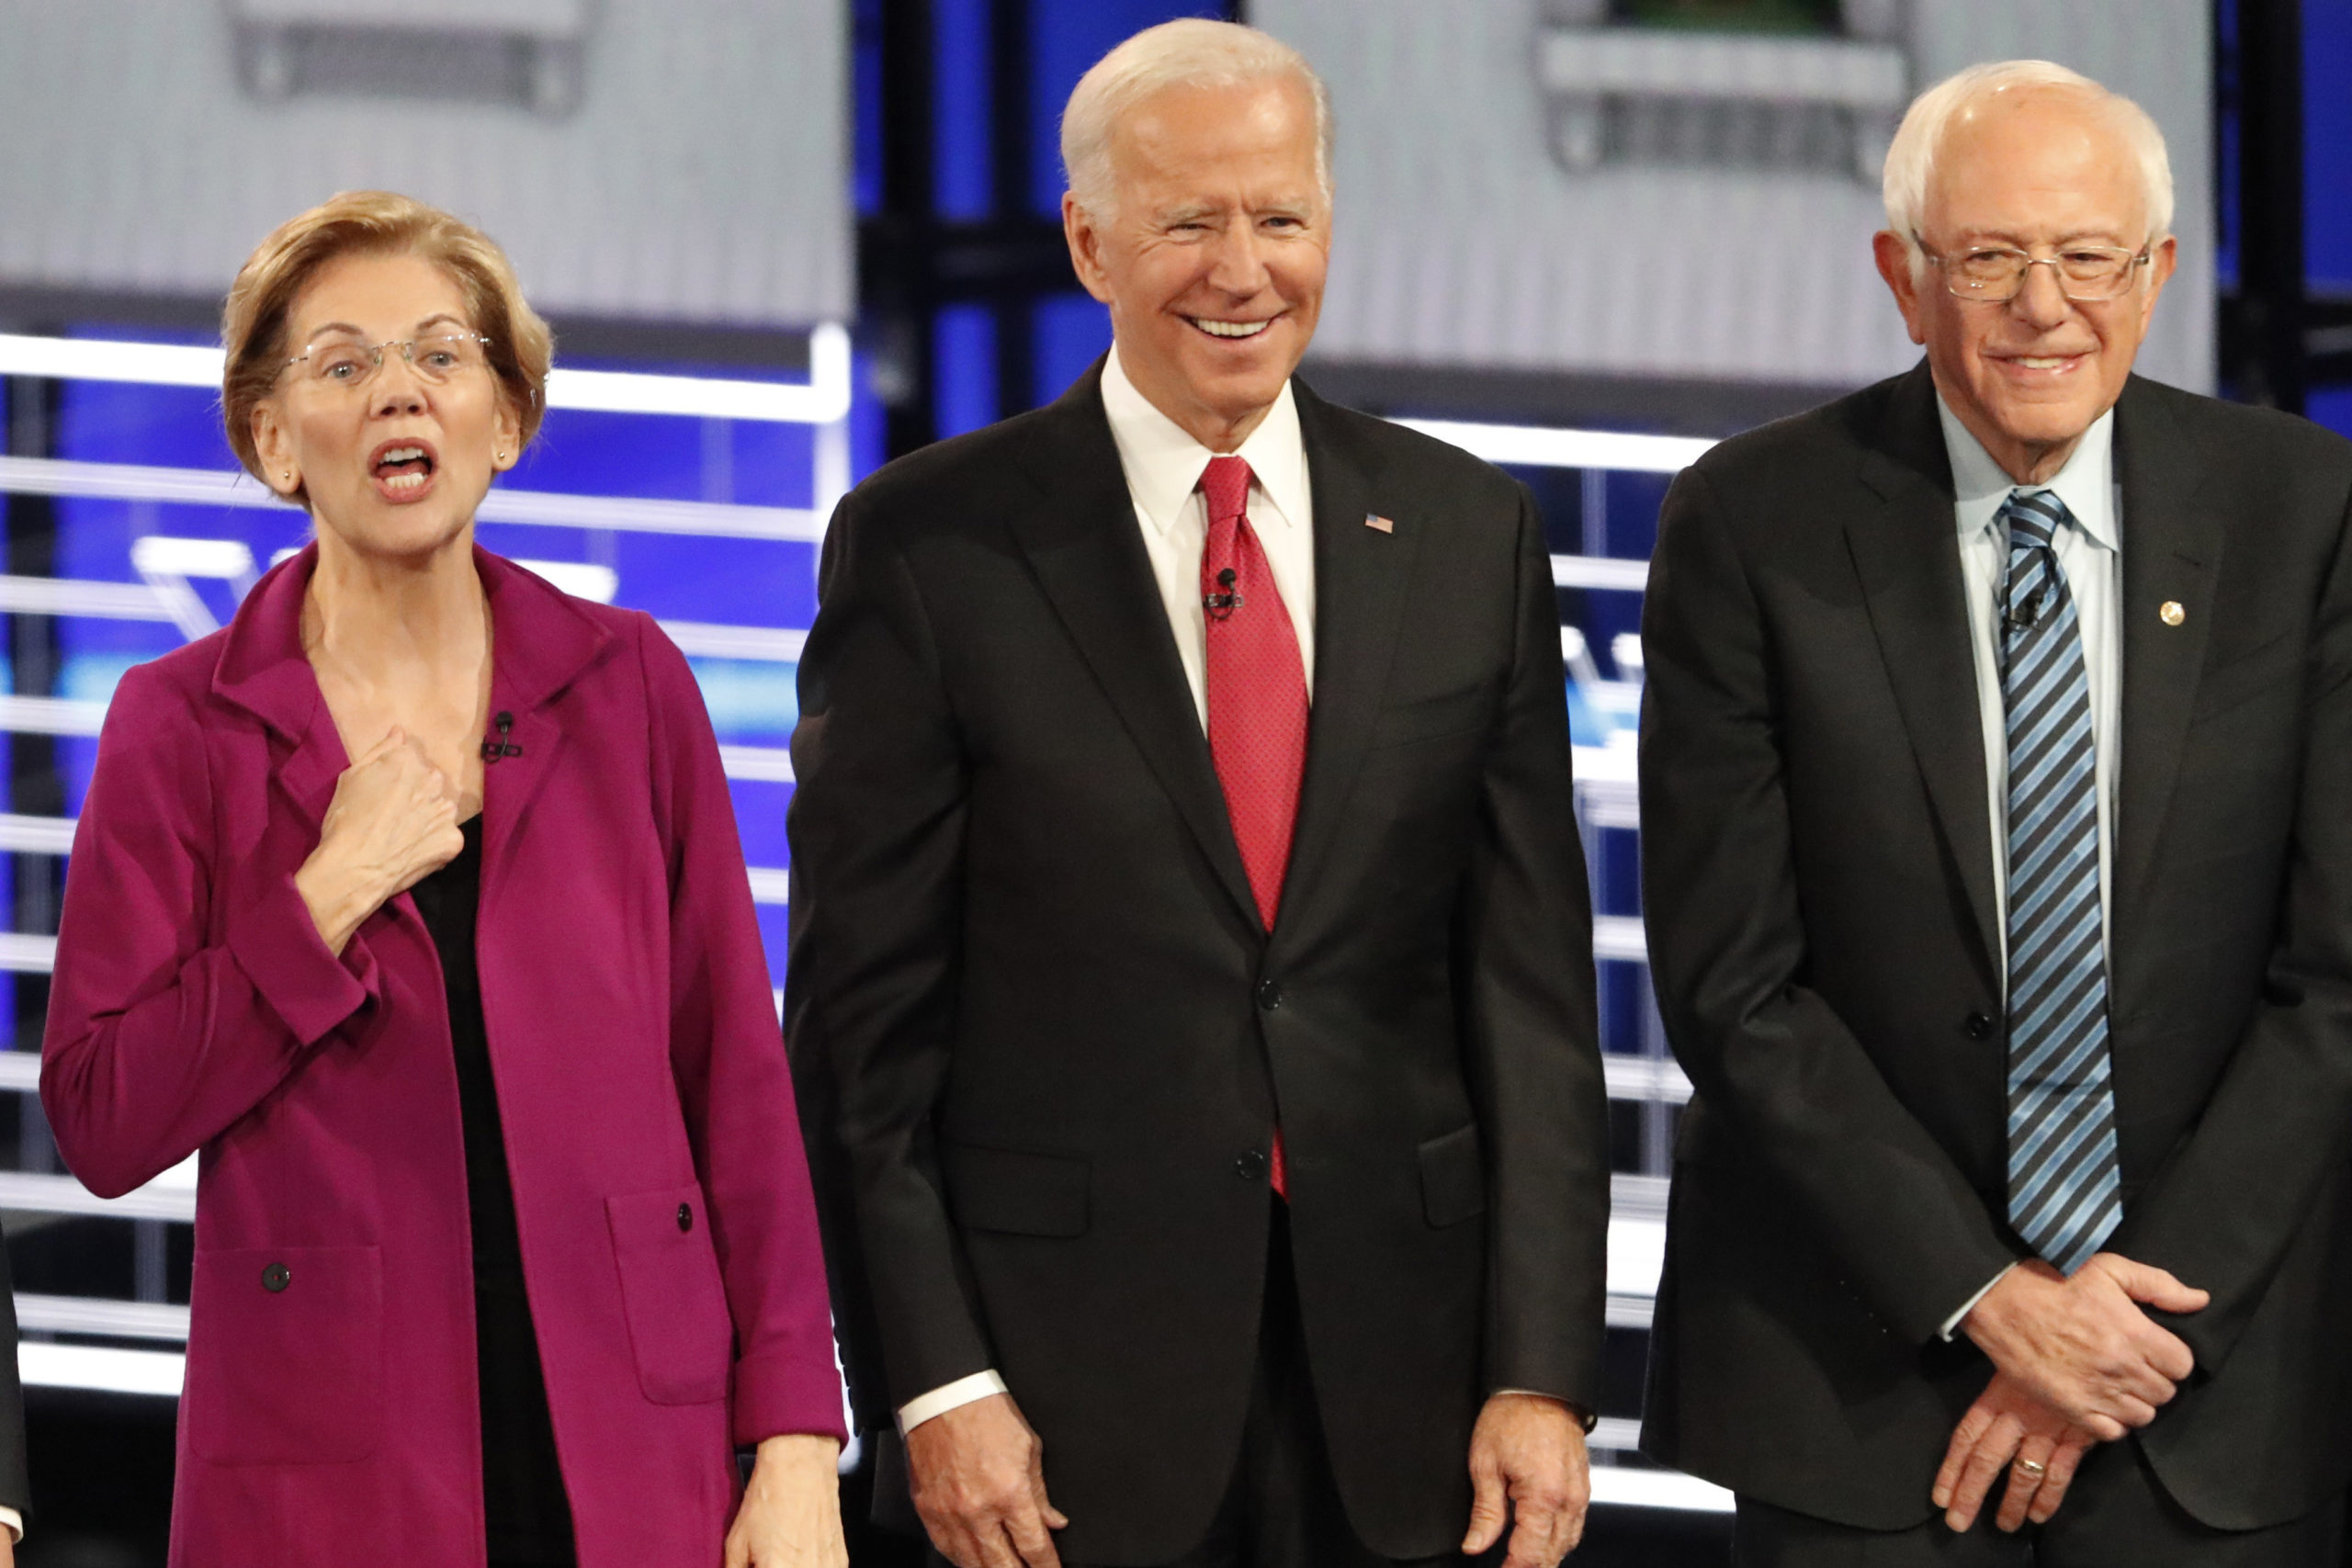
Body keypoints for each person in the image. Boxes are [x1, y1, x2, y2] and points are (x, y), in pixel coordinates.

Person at [788, 20, 1610, 1568]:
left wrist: (1542, 1370)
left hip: (1410, 1406)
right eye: (1189, 222)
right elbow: (857, 1034)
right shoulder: (931, 548)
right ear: (1090, 244)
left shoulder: (1465, 532)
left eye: (1280, 218)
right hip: (1050, 1417)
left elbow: (1532, 1005)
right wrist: (934, 1383)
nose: (1245, 270)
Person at [40, 191, 850, 1568]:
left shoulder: (630, 681)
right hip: (329, 1458)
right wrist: (320, 902)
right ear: (270, 438)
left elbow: (737, 1090)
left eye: (441, 355)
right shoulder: (181, 722)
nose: (397, 393)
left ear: (507, 418)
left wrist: (793, 1446)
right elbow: (104, 1118)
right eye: (342, 364)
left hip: (637, 1431)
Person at [1638, 60, 2352, 1564]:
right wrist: (1994, 1298)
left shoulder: (2303, 510)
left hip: (2200, 1389)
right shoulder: (1748, 521)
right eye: (1990, 258)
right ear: (1904, 279)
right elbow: (1734, 984)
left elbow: (2335, 975)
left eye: (2089, 255)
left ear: (2156, 277)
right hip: (1860, 1383)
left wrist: (2121, 1319)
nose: (2045, 304)